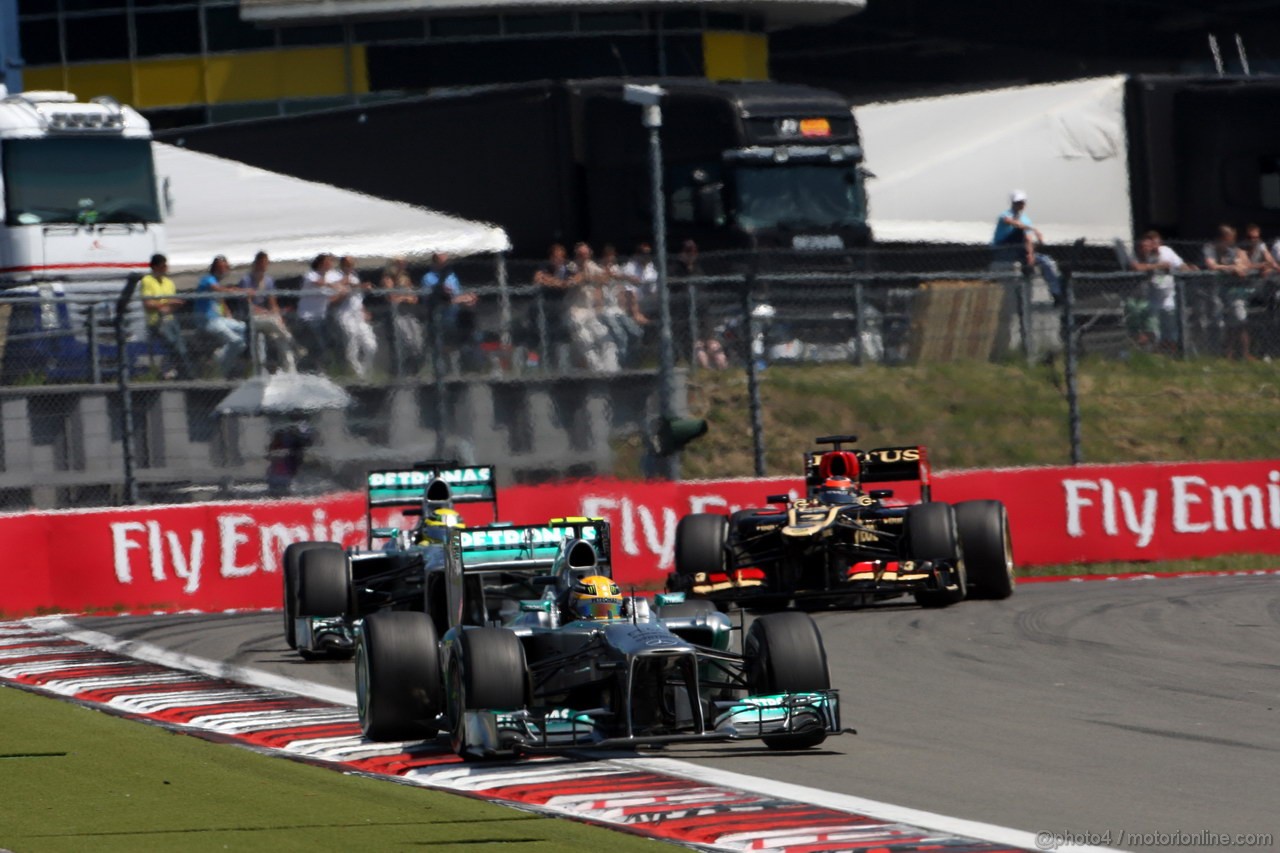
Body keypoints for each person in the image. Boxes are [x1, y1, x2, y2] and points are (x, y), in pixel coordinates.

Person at [992, 190, 1062, 302]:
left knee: (1047, 262)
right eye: (1017, 202)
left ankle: (1056, 293)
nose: (1020, 205)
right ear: (1012, 203)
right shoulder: (1005, 215)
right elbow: (1011, 222)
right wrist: (1033, 229)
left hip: (1020, 249)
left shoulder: (1026, 219)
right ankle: (1027, 262)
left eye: (1022, 202)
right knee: (1020, 231)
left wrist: (1030, 255)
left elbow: (1028, 239)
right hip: (1004, 248)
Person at [1128, 230, 1191, 352]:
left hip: (1168, 297)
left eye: (1156, 243)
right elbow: (1137, 267)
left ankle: (1171, 354)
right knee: (1153, 330)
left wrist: (1187, 269)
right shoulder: (1144, 255)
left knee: (1171, 330)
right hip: (1152, 299)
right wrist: (1158, 266)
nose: (1153, 246)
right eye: (1150, 244)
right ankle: (1151, 354)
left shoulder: (1166, 251)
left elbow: (1180, 265)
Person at [237, 250, 297, 373]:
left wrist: (277, 315)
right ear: (256, 263)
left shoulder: (268, 281)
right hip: (252, 317)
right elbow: (248, 304)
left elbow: (272, 302)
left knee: (280, 338)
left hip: (267, 317)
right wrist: (265, 312)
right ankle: (293, 342)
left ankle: (290, 369)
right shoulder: (246, 280)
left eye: (266, 263)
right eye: (261, 263)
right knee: (274, 325)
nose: (263, 266)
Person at [564, 242, 619, 372]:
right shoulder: (571, 266)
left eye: (586, 254)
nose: (583, 257)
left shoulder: (591, 265)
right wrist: (587, 277)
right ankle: (597, 370)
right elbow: (574, 279)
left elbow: (605, 279)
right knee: (586, 340)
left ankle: (612, 370)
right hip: (574, 312)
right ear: (576, 255)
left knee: (607, 340)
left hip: (590, 311)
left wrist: (594, 276)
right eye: (580, 255)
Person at [138, 253, 194, 379]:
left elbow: (172, 301)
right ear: (155, 267)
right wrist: (165, 304)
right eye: (163, 266)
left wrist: (171, 306)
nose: (166, 269)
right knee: (172, 343)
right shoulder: (147, 281)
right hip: (156, 321)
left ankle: (180, 372)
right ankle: (171, 371)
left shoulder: (169, 283)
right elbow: (148, 302)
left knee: (181, 346)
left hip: (170, 318)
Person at [422, 252, 479, 372]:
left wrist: (467, 299)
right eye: (441, 262)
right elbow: (437, 300)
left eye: (446, 263)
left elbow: (457, 295)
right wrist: (458, 299)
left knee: (471, 338)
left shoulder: (452, 277)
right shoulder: (428, 278)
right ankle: (444, 373)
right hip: (439, 319)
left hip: (456, 318)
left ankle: (468, 369)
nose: (444, 266)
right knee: (444, 347)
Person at [193, 255, 248, 378]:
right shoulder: (207, 279)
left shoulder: (217, 284)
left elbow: (221, 302)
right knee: (236, 342)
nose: (224, 271)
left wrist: (229, 316)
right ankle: (220, 370)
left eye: (225, 268)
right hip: (208, 322)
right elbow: (217, 289)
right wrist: (238, 291)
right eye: (221, 268)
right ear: (215, 269)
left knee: (243, 328)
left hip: (219, 320)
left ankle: (221, 357)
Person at [1200, 224, 1248, 358]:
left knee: (1236, 320)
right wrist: (1231, 268)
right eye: (1229, 239)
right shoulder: (1209, 247)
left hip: (1227, 290)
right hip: (1209, 290)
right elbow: (1212, 265)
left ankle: (1230, 352)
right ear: (1222, 238)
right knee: (1216, 322)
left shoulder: (1231, 250)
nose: (1231, 242)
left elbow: (1241, 263)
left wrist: (1239, 266)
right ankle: (1213, 352)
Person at [598, 244, 646, 367]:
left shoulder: (616, 269)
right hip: (605, 311)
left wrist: (630, 309)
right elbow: (604, 279)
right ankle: (623, 367)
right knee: (621, 335)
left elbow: (626, 287)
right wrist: (617, 276)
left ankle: (634, 362)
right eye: (607, 258)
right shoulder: (598, 271)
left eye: (612, 258)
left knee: (636, 332)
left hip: (618, 310)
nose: (610, 261)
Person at [294, 253, 342, 372]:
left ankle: (317, 368)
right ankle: (308, 368)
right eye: (328, 261)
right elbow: (319, 283)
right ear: (321, 263)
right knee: (319, 344)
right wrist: (335, 286)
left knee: (330, 342)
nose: (331, 264)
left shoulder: (331, 277)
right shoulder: (310, 275)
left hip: (321, 317)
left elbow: (333, 296)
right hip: (307, 317)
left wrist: (341, 291)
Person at [332, 255, 378, 379]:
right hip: (345, 314)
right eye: (348, 265)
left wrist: (364, 309)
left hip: (358, 314)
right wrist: (347, 289)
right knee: (352, 339)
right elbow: (332, 300)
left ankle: (366, 372)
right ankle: (357, 372)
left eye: (352, 265)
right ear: (342, 265)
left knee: (371, 345)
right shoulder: (334, 277)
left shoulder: (354, 277)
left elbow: (357, 298)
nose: (350, 267)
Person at [381, 256, 424, 374]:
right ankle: (401, 371)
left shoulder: (405, 277)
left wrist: (405, 297)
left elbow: (414, 297)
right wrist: (405, 297)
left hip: (409, 313)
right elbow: (392, 298)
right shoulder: (388, 279)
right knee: (406, 341)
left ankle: (414, 370)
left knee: (418, 343)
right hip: (397, 315)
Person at [265, 414, 313, 498]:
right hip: (282, 474)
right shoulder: (282, 436)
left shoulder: (293, 435)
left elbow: (306, 442)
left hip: (286, 473)